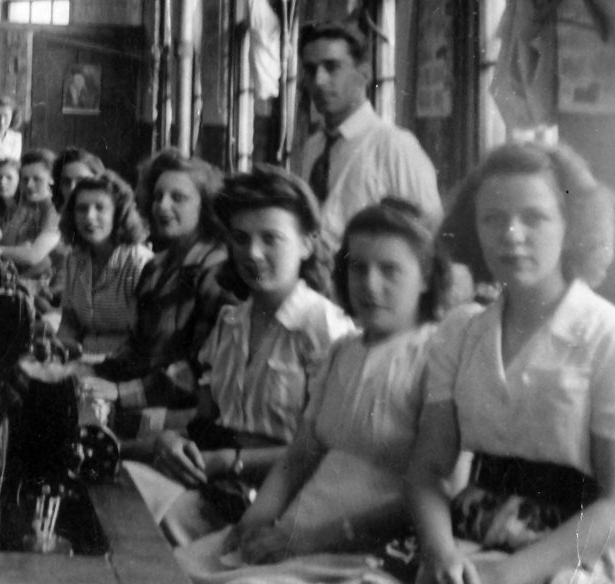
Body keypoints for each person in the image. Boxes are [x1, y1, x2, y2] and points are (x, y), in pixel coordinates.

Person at [405, 143, 615, 584]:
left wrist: (507, 576)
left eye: (534, 217)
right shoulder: (461, 333)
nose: (511, 234)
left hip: (580, 546)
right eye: (493, 219)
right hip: (471, 531)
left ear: (571, 224)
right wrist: (440, 551)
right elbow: (427, 469)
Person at [174, 199, 453, 582]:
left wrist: (308, 539)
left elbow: (433, 489)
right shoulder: (343, 351)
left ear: (424, 275)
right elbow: (298, 459)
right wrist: (252, 522)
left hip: (362, 551)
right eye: (358, 268)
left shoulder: (438, 356)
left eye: (390, 270)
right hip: (294, 532)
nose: (369, 285)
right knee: (164, 569)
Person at [138, 167, 352, 543]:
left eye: (271, 238)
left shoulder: (325, 330)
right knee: (117, 493)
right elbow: (206, 418)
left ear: (306, 243)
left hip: (292, 509)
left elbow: (331, 450)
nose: (252, 253)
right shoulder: (231, 321)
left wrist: (231, 461)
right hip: (224, 489)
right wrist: (171, 442)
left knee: (141, 532)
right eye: (240, 238)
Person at [93, 150, 244, 447]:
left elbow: (201, 369)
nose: (163, 205)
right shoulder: (155, 267)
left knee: (101, 427)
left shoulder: (217, 272)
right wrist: (90, 368)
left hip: (191, 414)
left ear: (206, 205)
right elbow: (136, 349)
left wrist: (123, 393)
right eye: (158, 195)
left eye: (178, 197)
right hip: (145, 398)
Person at [292, 23, 440, 269]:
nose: (318, 81)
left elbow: (429, 233)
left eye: (331, 67)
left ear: (365, 75)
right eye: (310, 70)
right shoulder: (313, 147)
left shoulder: (394, 146)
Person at [49, 171, 153, 358]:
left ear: (118, 214)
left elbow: (146, 342)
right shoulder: (75, 259)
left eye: (100, 208)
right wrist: (59, 347)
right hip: (83, 359)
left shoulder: (139, 263)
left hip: (123, 365)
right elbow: (69, 322)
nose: (89, 217)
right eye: (82, 209)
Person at [0, 149, 63, 277]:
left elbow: (34, 255)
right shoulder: (28, 205)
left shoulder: (54, 211)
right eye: (25, 179)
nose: (29, 185)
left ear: (51, 179)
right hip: (23, 277)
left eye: (37, 179)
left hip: (49, 284)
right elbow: (7, 240)